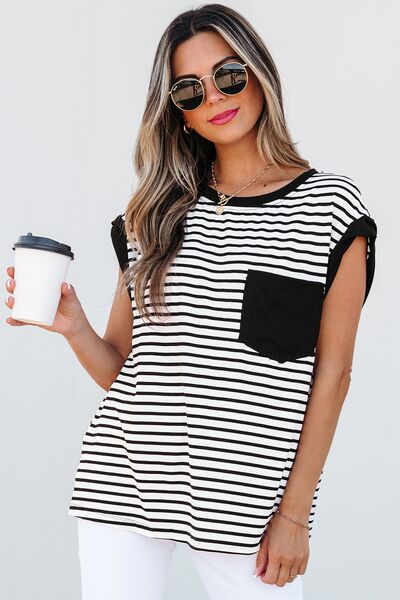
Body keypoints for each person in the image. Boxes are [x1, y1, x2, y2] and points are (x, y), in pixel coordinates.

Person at [5, 4, 377, 599]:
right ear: (177, 111)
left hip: (251, 503)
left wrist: (294, 515)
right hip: (122, 482)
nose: (215, 97)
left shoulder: (330, 208)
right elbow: (125, 370)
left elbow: (333, 374)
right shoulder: (153, 215)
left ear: (258, 74)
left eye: (228, 75)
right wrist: (74, 327)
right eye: (189, 89)